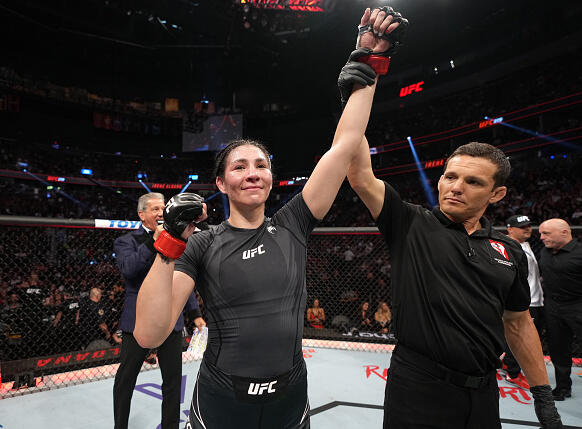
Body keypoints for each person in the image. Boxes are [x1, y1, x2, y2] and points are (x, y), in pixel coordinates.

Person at [133, 8, 402, 429]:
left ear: (272, 178)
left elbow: (346, 144)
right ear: (221, 184)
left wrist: (368, 62)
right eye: (239, 166)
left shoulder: (293, 221)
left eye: (260, 164)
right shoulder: (202, 242)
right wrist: (169, 240)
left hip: (290, 397)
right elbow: (150, 335)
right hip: (223, 400)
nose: (253, 172)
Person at [345, 29, 563, 424]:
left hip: (483, 390)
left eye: (473, 182)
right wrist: (364, 74)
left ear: (497, 195)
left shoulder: (509, 251)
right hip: (417, 387)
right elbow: (359, 172)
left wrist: (542, 393)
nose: (455, 188)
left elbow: (518, 323)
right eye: (449, 177)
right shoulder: (411, 223)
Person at [113, 192, 206, 429]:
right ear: (141, 214)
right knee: (126, 379)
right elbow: (129, 269)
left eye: (163, 208)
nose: (160, 213)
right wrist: (156, 241)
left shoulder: (180, 239)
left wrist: (194, 313)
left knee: (173, 381)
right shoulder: (127, 241)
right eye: (154, 209)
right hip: (136, 320)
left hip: (171, 318)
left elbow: (182, 277)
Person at [538, 218, 582, 401]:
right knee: (558, 349)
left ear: (564, 232)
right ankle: (562, 388)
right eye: (540, 233)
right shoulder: (544, 252)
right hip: (553, 307)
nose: (541, 237)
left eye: (546, 233)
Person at [502, 214, 545, 389]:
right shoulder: (507, 247)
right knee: (521, 338)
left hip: (535, 300)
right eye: (522, 227)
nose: (527, 229)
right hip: (523, 302)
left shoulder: (526, 244)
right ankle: (513, 374)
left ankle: (508, 365)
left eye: (528, 226)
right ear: (510, 229)